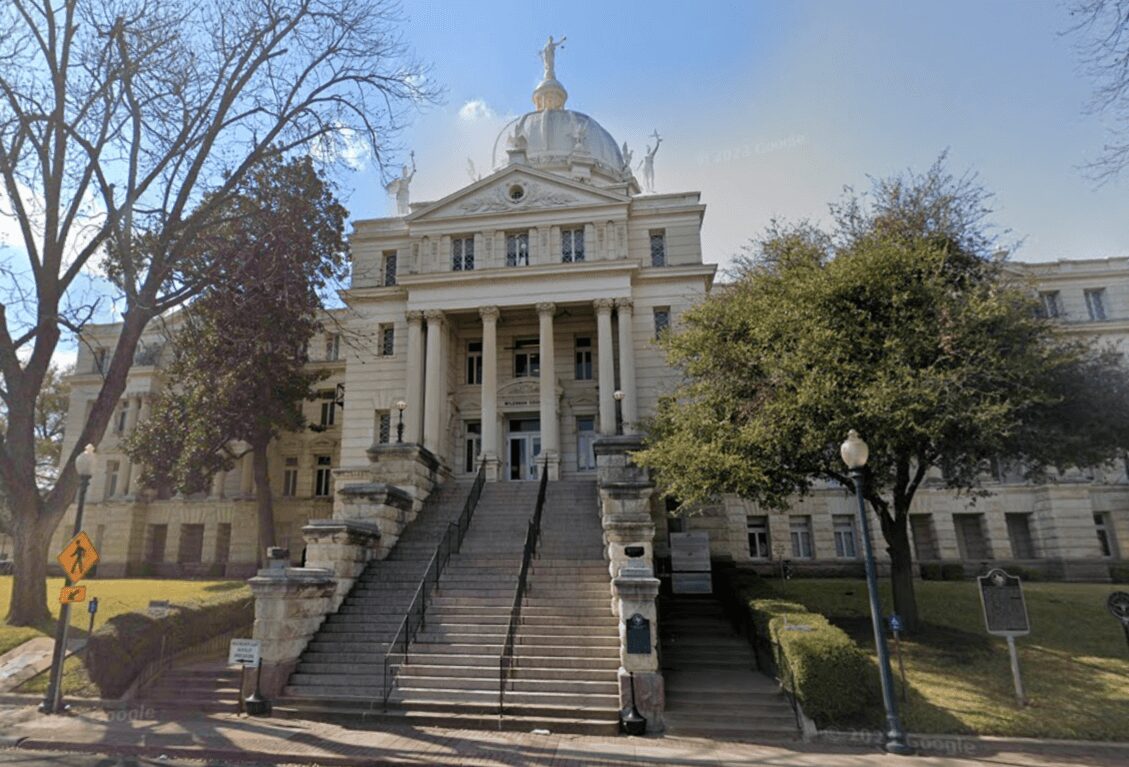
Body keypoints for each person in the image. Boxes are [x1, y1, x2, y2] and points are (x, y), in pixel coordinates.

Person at [385, 151, 416, 215]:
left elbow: (414, 169)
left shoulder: (408, 179)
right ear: (402, 172)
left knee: (406, 206)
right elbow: (394, 185)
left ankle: (406, 216)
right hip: (400, 194)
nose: (405, 172)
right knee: (400, 206)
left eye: (406, 170)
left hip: (405, 193)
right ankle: (400, 216)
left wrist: (412, 158)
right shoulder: (399, 180)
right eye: (404, 170)